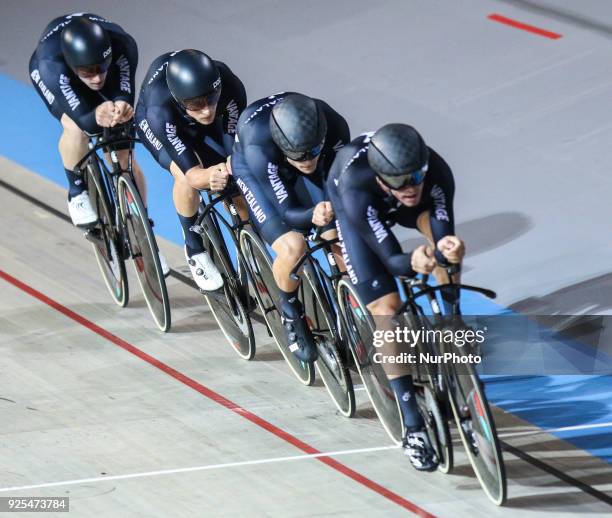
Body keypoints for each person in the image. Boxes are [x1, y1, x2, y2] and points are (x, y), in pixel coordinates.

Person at [327, 123, 465, 471]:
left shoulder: (436, 172)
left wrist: (446, 248)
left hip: (394, 202)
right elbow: (391, 259)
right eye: (400, 182)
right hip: (359, 210)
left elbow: (442, 229)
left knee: (447, 253)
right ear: (380, 177)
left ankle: (450, 323)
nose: (411, 188)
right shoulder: (357, 185)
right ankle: (413, 426)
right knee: (386, 311)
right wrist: (413, 260)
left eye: (416, 177)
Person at [232, 92, 350, 362]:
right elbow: (287, 212)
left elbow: (341, 184)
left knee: (339, 237)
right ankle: (290, 311)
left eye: (313, 153)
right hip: (257, 172)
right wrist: (313, 214)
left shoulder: (334, 126)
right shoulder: (260, 147)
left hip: (301, 155)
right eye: (299, 157)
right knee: (294, 247)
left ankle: (351, 309)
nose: (307, 161)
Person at [136, 49, 247, 291]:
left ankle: (249, 248)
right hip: (159, 128)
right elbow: (193, 174)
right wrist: (209, 176)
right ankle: (194, 248)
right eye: (197, 104)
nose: (207, 110)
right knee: (186, 178)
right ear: (179, 99)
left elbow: (234, 140)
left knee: (236, 176)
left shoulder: (230, 85)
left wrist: (229, 166)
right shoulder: (160, 108)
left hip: (201, 126)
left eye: (211, 98)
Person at [29, 14, 148, 227]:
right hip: (58, 78)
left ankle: (144, 229)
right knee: (76, 127)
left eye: (102, 67)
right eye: (88, 72)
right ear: (73, 65)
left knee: (123, 152)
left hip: (99, 62)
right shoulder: (51, 64)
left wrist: (122, 105)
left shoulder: (124, 45)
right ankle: (77, 193)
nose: (97, 77)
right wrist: (94, 115)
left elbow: (124, 89)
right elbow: (85, 119)